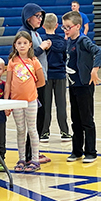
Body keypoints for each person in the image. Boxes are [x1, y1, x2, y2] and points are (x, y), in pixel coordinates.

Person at [61, 11, 101, 164]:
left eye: (68, 27)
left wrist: (94, 69)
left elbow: (99, 51)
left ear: (77, 26)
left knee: (87, 120)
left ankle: (91, 152)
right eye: (63, 27)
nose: (65, 30)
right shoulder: (69, 42)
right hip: (73, 86)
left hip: (84, 85)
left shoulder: (83, 40)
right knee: (75, 120)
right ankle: (77, 151)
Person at [4, 31, 46, 173]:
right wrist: (6, 102)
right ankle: (21, 158)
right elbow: (8, 83)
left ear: (30, 45)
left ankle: (35, 159)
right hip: (16, 102)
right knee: (20, 130)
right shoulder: (12, 62)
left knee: (32, 129)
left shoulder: (34, 61)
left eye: (25, 43)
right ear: (15, 45)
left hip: (31, 101)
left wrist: (31, 90)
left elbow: (41, 81)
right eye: (19, 43)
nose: (22, 46)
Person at [19, 3, 51, 164]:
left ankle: (33, 150)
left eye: (41, 16)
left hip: (41, 79)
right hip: (32, 82)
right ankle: (30, 153)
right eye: (37, 16)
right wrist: (42, 48)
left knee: (41, 116)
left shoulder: (34, 33)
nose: (40, 19)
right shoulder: (24, 33)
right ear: (28, 17)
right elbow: (25, 56)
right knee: (36, 118)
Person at [40, 13, 71, 143]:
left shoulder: (41, 41)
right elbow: (65, 58)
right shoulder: (62, 41)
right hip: (60, 75)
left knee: (45, 105)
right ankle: (64, 132)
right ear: (57, 25)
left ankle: (44, 132)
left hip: (46, 76)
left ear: (42, 26)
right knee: (61, 104)